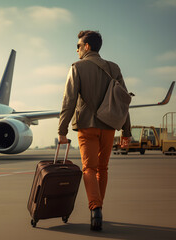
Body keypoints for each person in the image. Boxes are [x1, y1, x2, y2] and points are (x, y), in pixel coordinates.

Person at [58, 30, 131, 231]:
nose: (77, 49)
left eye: (79, 46)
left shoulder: (77, 67)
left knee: (89, 168)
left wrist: (62, 130)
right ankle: (98, 208)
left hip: (87, 126)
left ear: (87, 46)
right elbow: (123, 102)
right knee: (103, 168)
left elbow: (68, 100)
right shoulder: (114, 68)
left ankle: (95, 207)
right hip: (109, 127)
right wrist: (126, 132)